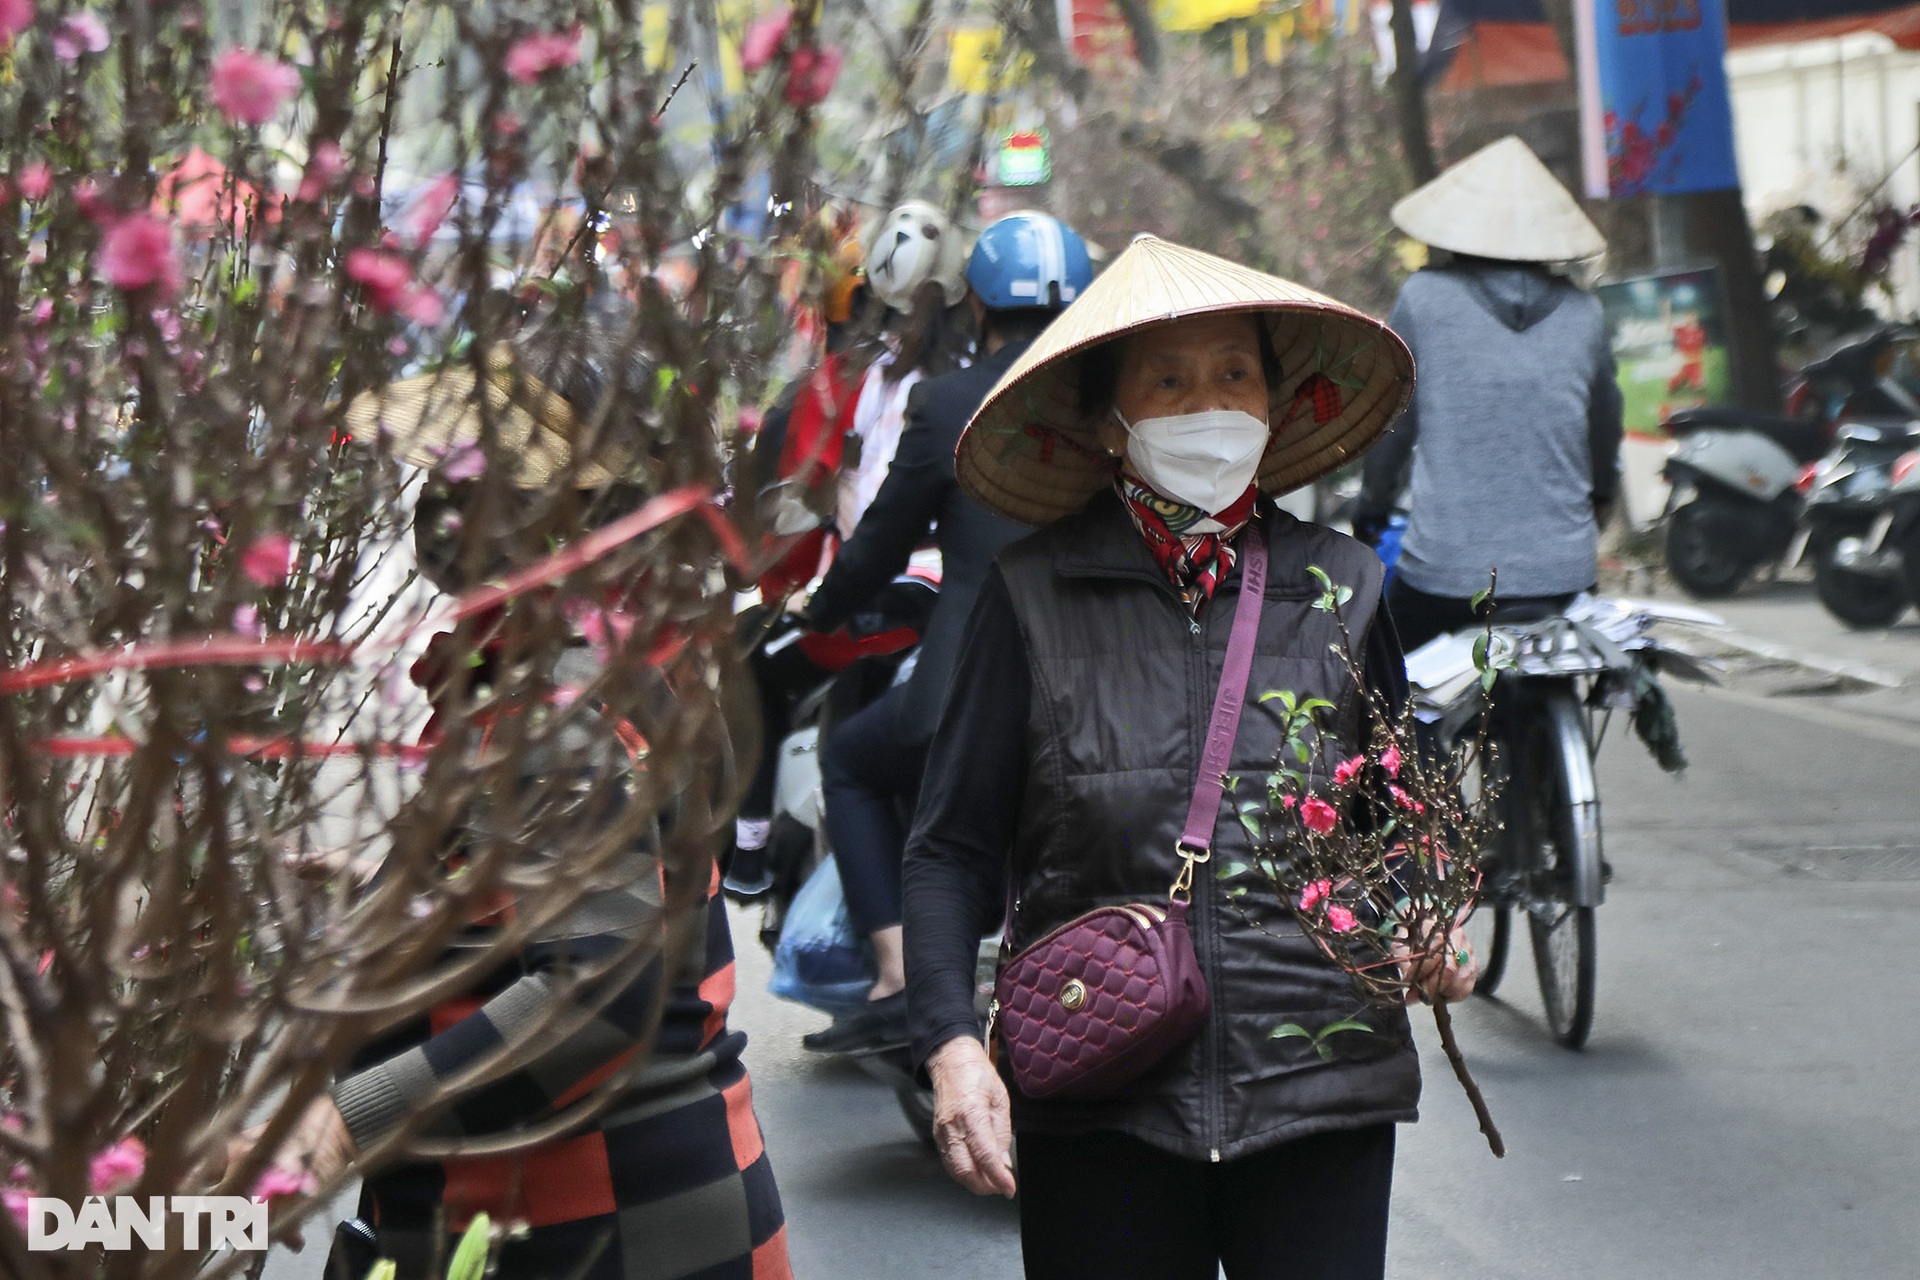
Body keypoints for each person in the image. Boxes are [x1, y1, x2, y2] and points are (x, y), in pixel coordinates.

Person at [904, 234, 1474, 1279]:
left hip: (1318, 1091)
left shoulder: (1347, 585)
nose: (1205, 403)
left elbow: (1401, 820)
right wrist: (950, 1045)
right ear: (1106, 424)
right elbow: (951, 847)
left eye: (1231, 374)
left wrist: (1419, 921)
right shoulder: (1028, 596)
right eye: (1167, 381)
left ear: (1272, 401)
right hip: (1101, 1097)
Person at [231, 320, 790, 1280]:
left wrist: (338, 1126)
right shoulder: (610, 649)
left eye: (477, 477)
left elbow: (594, 995)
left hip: (603, 1229)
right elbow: (572, 883)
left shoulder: (553, 700)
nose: (441, 504)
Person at [795, 212, 1094, 1053]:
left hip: (963, 697)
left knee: (851, 760)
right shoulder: (1109, 406)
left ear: (978, 305)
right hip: (1099, 697)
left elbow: (879, 542)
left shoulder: (951, 403)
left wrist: (820, 606)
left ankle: (895, 974)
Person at [729, 201, 974, 896]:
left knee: (750, 661)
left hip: (874, 603)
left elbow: (827, 506)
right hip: (951, 601)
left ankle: (747, 851)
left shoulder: (848, 385)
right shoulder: (969, 379)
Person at [1352, 134, 1624, 654]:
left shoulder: (1424, 298)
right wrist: (1602, 495)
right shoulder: (1584, 312)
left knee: (1387, 683)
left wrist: (1373, 504)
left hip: (1448, 577)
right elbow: (1603, 425)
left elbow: (1394, 419)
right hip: (1565, 577)